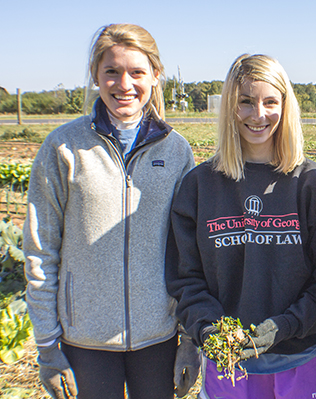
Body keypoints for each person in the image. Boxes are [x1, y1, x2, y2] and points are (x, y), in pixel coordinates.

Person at [23, 24, 198, 399]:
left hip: (159, 336)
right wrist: (48, 346)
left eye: (136, 72)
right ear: (96, 76)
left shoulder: (177, 152)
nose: (124, 84)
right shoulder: (64, 147)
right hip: (85, 340)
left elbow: (190, 254)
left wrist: (190, 338)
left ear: (155, 75)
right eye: (112, 72)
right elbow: (41, 250)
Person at [165, 53, 316, 399]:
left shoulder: (312, 184)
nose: (258, 114)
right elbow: (186, 279)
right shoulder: (199, 186)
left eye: (270, 102)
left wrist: (285, 325)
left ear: (286, 105)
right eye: (245, 102)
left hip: (304, 357)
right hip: (230, 364)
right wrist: (211, 331)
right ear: (230, 107)